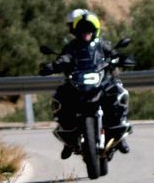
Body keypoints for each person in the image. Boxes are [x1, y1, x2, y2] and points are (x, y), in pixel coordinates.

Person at [40, 8, 133, 155]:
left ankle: (119, 136)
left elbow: (114, 54)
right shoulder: (71, 47)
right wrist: (53, 65)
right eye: (82, 30)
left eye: (88, 30)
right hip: (78, 82)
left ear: (95, 30)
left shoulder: (101, 45)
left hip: (101, 81)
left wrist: (122, 58)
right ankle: (69, 139)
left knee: (117, 93)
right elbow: (63, 58)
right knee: (61, 96)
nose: (85, 33)